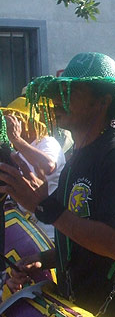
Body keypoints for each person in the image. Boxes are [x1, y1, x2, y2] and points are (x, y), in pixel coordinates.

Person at [0, 52, 115, 317]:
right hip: (84, 313)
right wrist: (44, 259)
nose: (58, 100)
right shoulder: (77, 157)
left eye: (70, 91)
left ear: (102, 101)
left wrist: (43, 206)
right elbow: (78, 237)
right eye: (58, 91)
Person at [1, 96, 66, 240]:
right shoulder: (17, 151)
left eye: (17, 119)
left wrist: (16, 139)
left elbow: (48, 166)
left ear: (30, 122)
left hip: (50, 231)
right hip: (26, 229)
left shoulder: (47, 142)